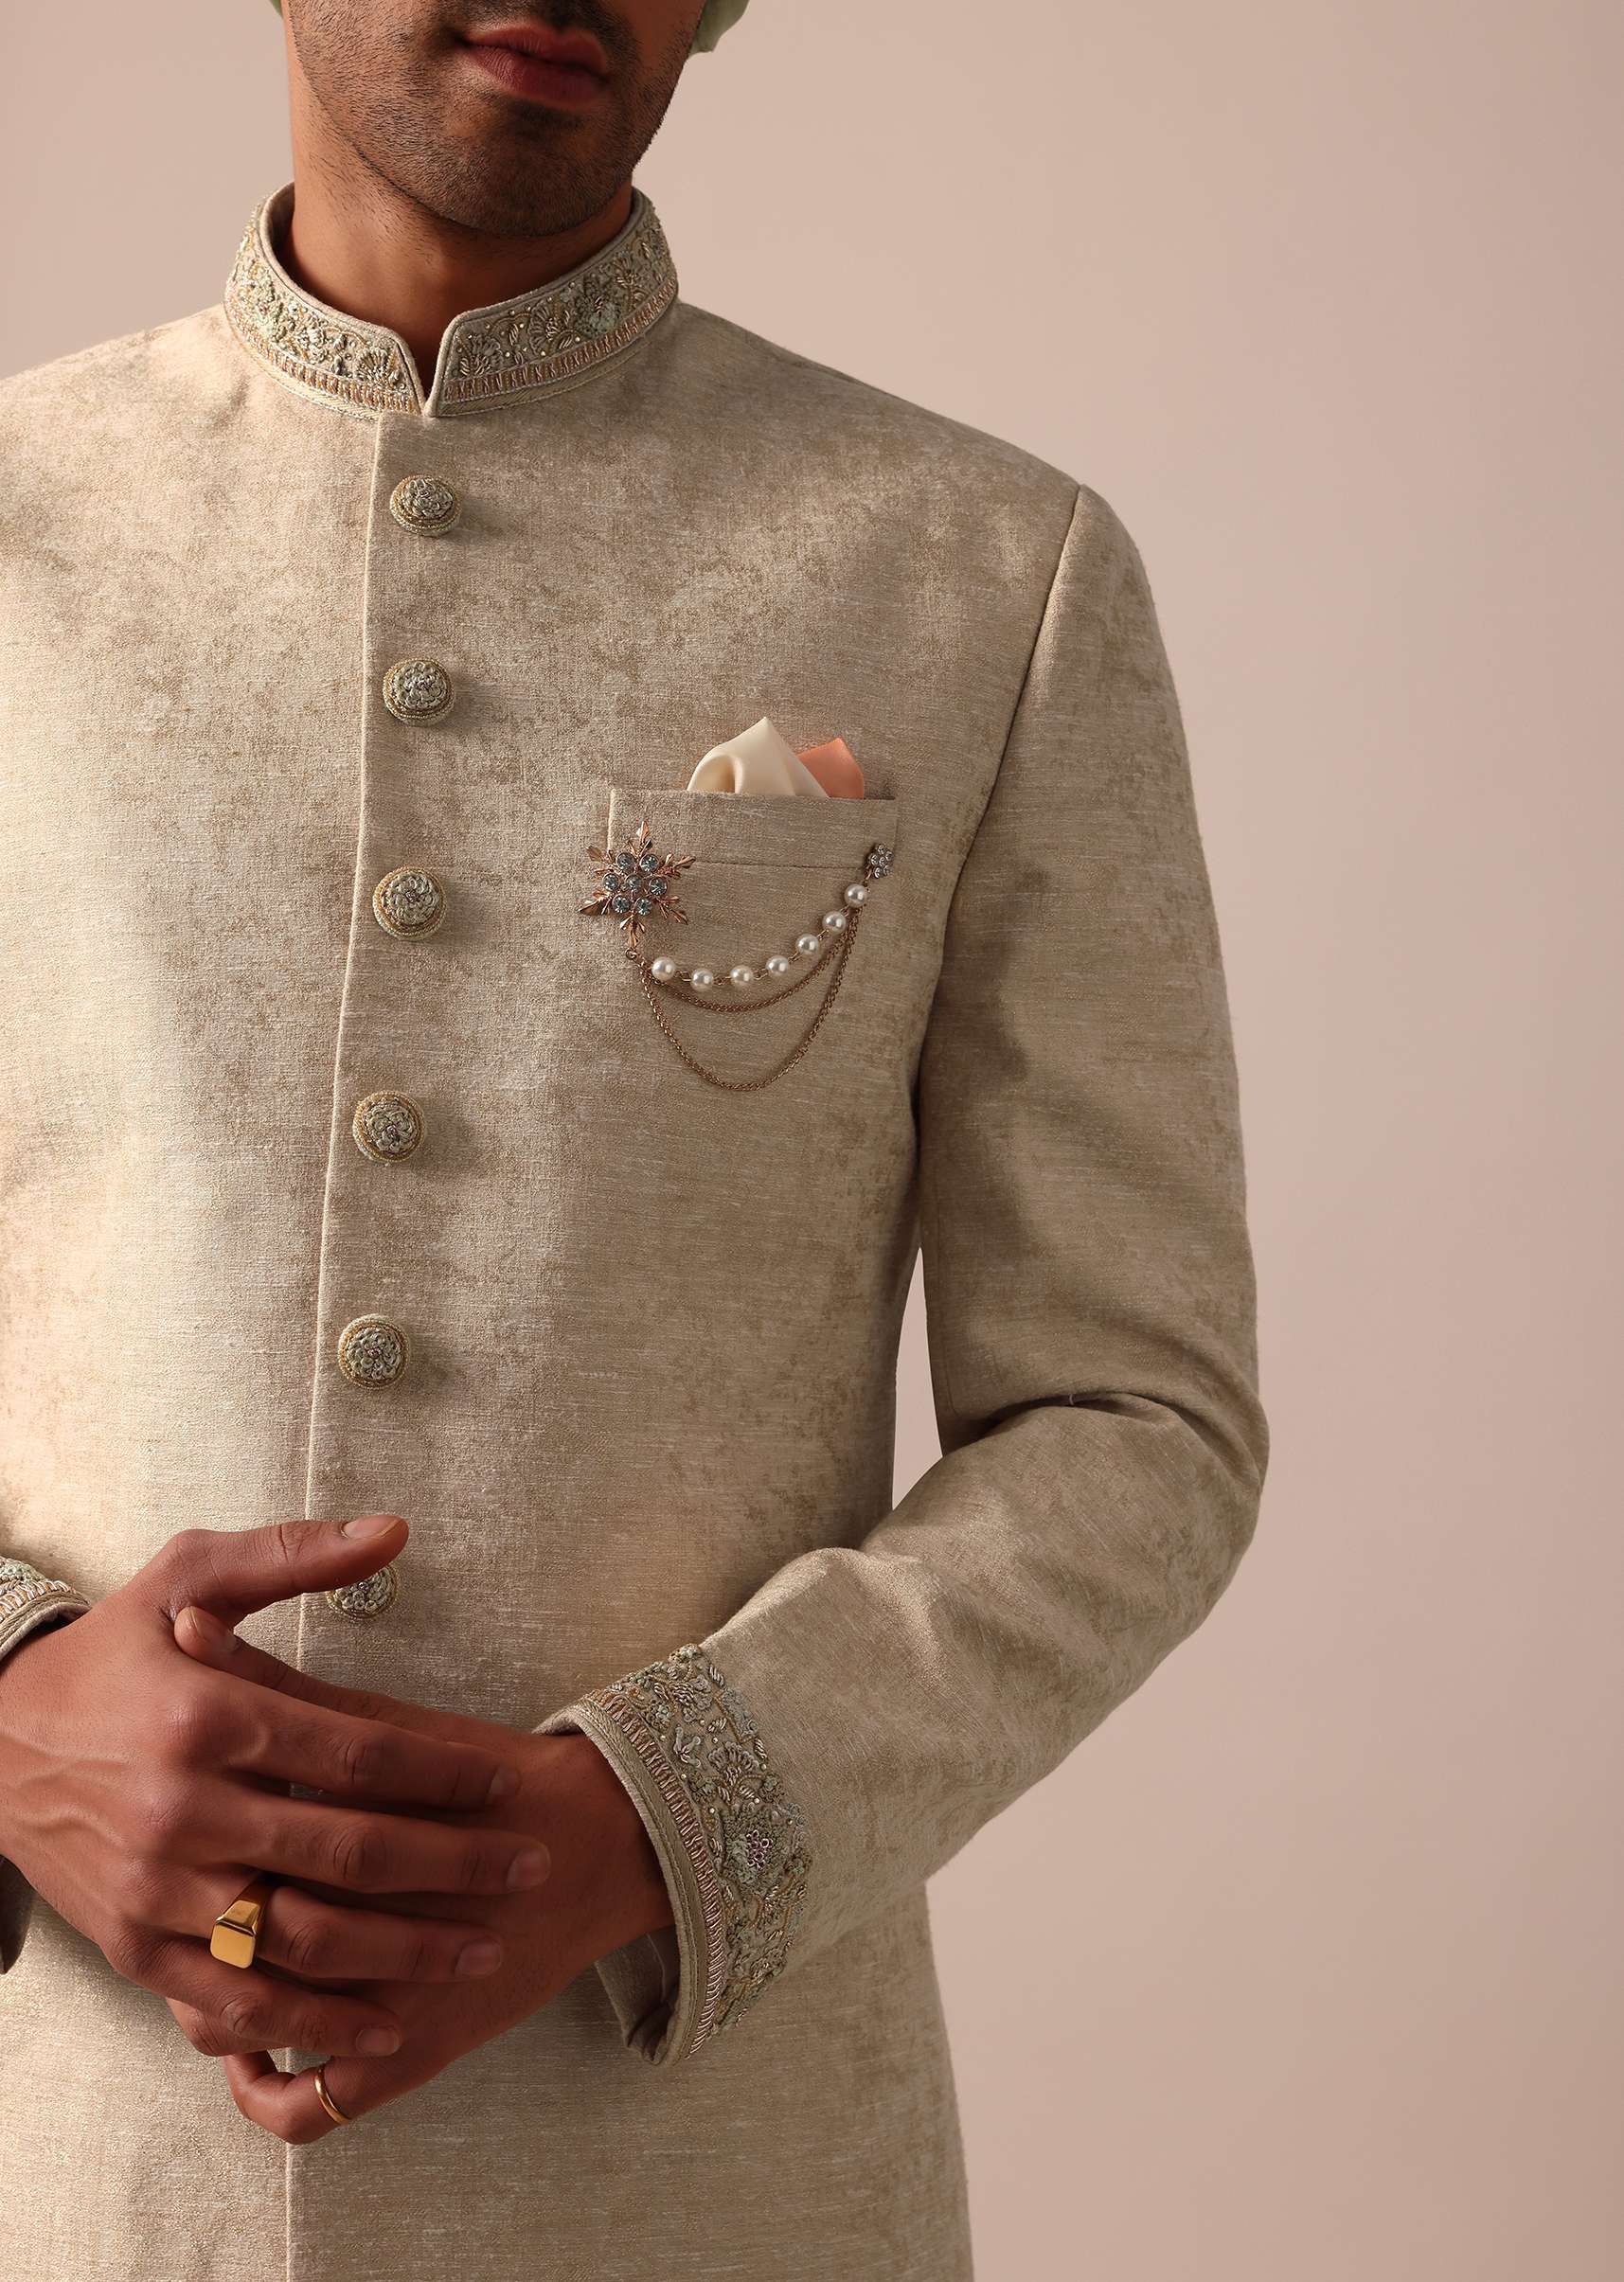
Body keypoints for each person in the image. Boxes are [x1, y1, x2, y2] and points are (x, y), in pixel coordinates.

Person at [0, 3, 1269, 2275]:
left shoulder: (985, 573)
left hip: (721, 2185)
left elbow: (1136, 1418)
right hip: (69, 2170)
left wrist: (655, 1816)